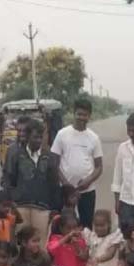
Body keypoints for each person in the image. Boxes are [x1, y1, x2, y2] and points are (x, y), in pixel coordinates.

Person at [1, 119, 58, 243]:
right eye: (35, 137)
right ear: (27, 137)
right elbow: (8, 180)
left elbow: (54, 184)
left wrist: (54, 209)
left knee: (40, 244)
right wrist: (12, 203)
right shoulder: (16, 155)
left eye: (40, 137)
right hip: (20, 207)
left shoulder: (50, 157)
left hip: (42, 208)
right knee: (21, 244)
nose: (38, 140)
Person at [51, 98, 103, 229]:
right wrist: (66, 184)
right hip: (65, 192)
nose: (81, 117)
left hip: (87, 190)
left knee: (86, 226)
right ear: (73, 114)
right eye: (79, 114)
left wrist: (88, 181)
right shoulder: (62, 134)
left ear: (89, 116)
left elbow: (99, 167)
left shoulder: (94, 138)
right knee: (64, 225)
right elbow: (54, 163)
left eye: (85, 115)